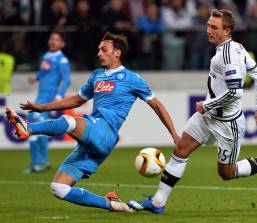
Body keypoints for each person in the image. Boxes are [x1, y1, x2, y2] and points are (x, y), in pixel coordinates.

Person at [127, 9, 257, 214]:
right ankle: (157, 203)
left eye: (214, 27)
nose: (209, 30)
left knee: (227, 173)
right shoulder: (235, 48)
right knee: (181, 150)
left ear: (227, 31)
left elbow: (235, 92)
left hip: (227, 123)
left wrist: (207, 104)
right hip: (208, 116)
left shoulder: (228, 56)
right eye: (208, 25)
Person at [5, 32, 179, 212]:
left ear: (117, 52)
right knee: (59, 188)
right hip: (92, 140)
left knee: (69, 121)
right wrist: (42, 108)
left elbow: (157, 105)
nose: (99, 54)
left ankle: (28, 128)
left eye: (104, 50)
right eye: (98, 50)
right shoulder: (96, 75)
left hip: (106, 131)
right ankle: (113, 204)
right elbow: (76, 100)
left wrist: (174, 134)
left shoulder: (132, 78)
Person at [25, 30, 71, 173]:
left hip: (49, 100)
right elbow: (44, 73)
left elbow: (66, 79)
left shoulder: (62, 60)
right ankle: (35, 163)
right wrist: (36, 77)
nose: (53, 41)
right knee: (31, 127)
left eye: (57, 39)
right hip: (40, 98)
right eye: (51, 38)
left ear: (62, 43)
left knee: (38, 127)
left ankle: (42, 162)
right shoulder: (46, 56)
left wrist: (59, 96)